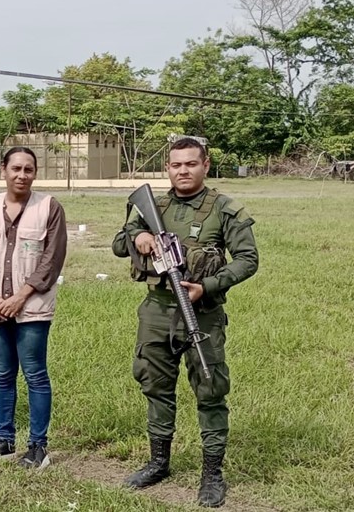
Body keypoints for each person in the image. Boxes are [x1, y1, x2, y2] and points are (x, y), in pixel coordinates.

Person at [112, 137, 258, 508]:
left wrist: (207, 285)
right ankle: (158, 462)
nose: (183, 171)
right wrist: (139, 235)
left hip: (202, 313)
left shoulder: (224, 209)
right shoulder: (153, 206)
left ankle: (212, 474)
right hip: (157, 311)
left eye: (191, 164)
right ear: (168, 168)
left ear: (205, 165)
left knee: (210, 388)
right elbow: (118, 244)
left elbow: (248, 259)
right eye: (176, 165)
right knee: (155, 386)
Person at [0, 147, 67, 468]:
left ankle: (38, 446)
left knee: (35, 374)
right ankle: (4, 439)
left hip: (32, 308)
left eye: (28, 170)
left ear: (35, 173)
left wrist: (19, 297)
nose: (22, 175)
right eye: (16, 169)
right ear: (3, 170)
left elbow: (51, 260)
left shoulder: (49, 207)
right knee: (3, 373)